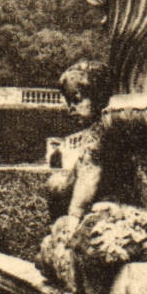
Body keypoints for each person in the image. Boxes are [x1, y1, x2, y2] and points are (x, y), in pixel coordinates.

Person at [46, 60, 108, 220]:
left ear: (98, 96)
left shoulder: (100, 132)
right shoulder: (101, 128)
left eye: (76, 99)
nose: (70, 108)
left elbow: (89, 174)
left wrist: (73, 216)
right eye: (68, 102)